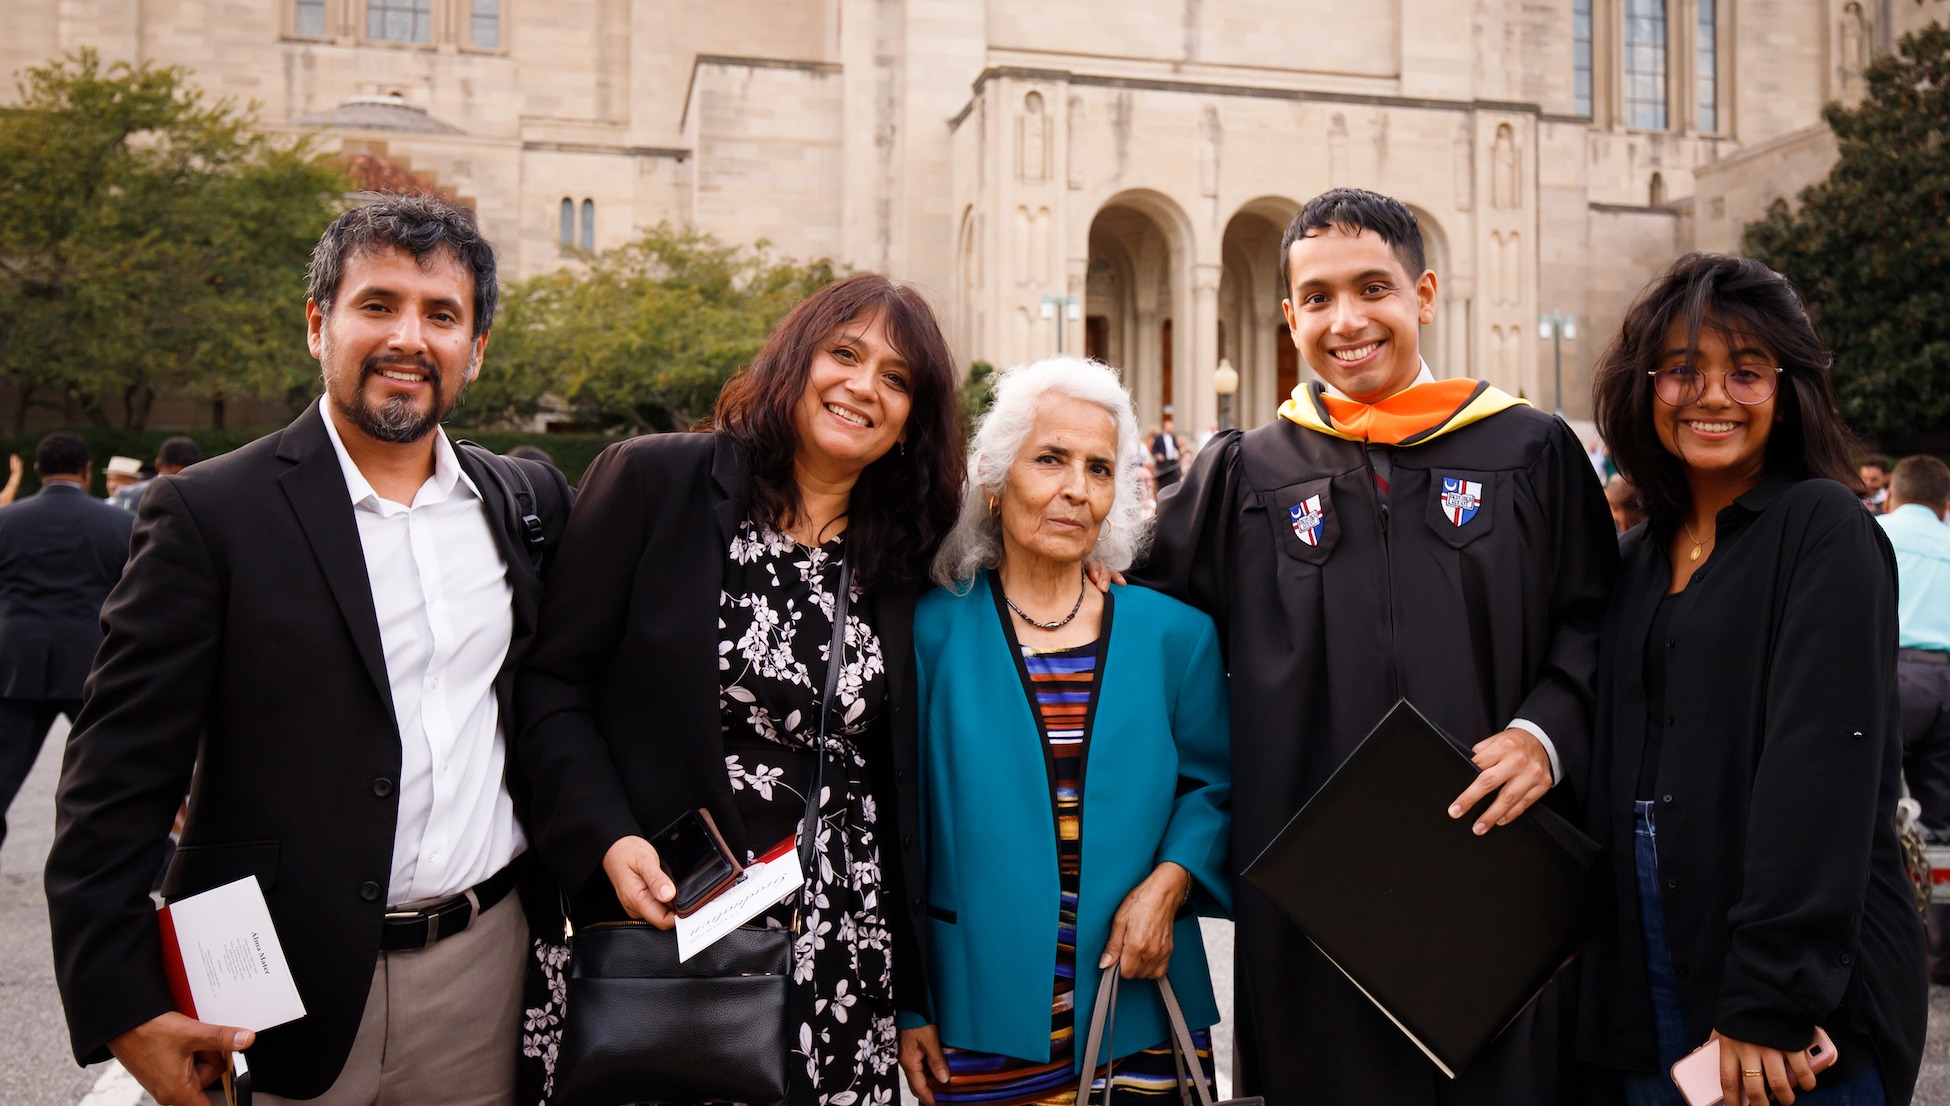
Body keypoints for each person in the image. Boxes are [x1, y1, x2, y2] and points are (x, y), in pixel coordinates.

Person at [44, 195, 573, 1106]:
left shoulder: (526, 504)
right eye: (378, 304)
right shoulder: (211, 514)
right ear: (319, 324)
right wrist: (123, 1006)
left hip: (485, 971)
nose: (410, 337)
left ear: (476, 350)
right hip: (269, 979)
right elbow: (117, 776)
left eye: (442, 315)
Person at [1135, 187, 1617, 1105]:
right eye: (1317, 298)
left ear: (1425, 294)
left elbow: (1598, 620)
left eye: (1374, 288)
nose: (1346, 320)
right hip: (1318, 904)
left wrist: (1546, 735)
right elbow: (1139, 625)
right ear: (1289, 316)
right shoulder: (1250, 472)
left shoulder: (1530, 450)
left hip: (1493, 881)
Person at [513, 273, 965, 1105]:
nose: (865, 386)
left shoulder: (906, 554)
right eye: (846, 353)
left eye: (898, 380)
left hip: (842, 943)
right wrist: (606, 839)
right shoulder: (658, 483)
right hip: (665, 927)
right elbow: (550, 688)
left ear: (913, 422)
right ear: (797, 359)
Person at [1579, 253, 1926, 1106]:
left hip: (1788, 977)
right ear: (1644, 384)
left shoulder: (1823, 528)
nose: (1712, 396)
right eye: (1682, 369)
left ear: (1788, 387)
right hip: (1644, 967)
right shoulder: (1633, 558)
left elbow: (1823, 770)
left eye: (1747, 371)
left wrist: (1769, 993)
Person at [896, 357, 1231, 1106]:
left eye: (1100, 468)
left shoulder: (1175, 635)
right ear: (994, 475)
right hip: (978, 1016)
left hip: (1143, 1004)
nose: (1076, 489)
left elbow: (1216, 787)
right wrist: (910, 1003)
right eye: (1050, 459)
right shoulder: (927, 633)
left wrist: (1170, 884)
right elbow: (900, 828)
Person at [0, 433, 133, 853]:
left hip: (15, 661)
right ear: (88, 471)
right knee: (113, 774)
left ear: (37, 471)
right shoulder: (118, 524)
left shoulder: (6, 522)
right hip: (92, 660)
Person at [1878, 454, 1950, 985]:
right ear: (1945, 507)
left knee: (1872, 812)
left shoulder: (1873, 533)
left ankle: (1879, 945)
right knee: (1942, 825)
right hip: (1948, 679)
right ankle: (1940, 958)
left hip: (1891, 676)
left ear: (1893, 497)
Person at [110, 437, 203, 512]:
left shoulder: (130, 494)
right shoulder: (129, 496)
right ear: (159, 465)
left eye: (183, 476)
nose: (177, 483)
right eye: (173, 477)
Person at [1148, 412, 1181, 488]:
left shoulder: (1173, 437)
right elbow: (1154, 449)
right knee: (1163, 483)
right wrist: (1158, 455)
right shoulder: (1158, 438)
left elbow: (1176, 448)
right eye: (1169, 427)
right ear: (1165, 427)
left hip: (1172, 463)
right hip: (1162, 464)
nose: (1171, 428)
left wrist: (1177, 454)